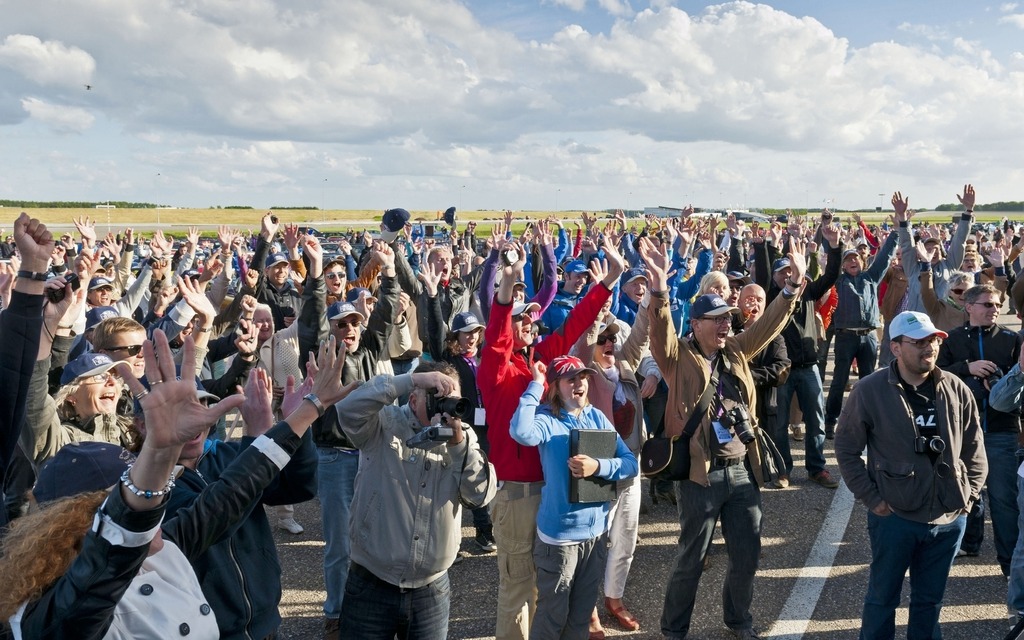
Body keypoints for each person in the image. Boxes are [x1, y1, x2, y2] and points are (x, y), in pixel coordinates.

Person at [0, 331, 355, 639]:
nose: (157, 503)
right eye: (136, 497)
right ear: (86, 527)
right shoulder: (67, 610)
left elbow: (234, 492)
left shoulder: (164, 546)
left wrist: (309, 409)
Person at [640, 235, 804, 640]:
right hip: (702, 475)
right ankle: (674, 629)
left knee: (747, 555)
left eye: (728, 317)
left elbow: (768, 324)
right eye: (718, 318)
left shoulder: (735, 350)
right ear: (696, 323)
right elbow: (658, 334)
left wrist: (790, 289)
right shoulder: (678, 356)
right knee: (691, 558)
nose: (727, 322)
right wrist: (660, 291)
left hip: (742, 471)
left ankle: (739, 621)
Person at [479, 238, 623, 640]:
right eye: (521, 319)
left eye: (533, 319)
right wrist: (508, 286)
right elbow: (496, 335)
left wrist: (608, 281)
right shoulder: (495, 368)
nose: (530, 323)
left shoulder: (539, 361)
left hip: (553, 493)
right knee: (518, 591)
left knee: (551, 591)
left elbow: (575, 324)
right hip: (517, 495)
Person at [835, 311, 987, 639]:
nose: (929, 348)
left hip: (948, 519)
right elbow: (846, 450)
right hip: (894, 517)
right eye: (918, 342)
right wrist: (873, 499)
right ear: (895, 347)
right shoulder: (869, 390)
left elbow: (975, 450)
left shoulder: (957, 389)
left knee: (929, 602)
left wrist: (968, 498)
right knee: (882, 599)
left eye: (933, 340)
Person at [335, 361, 496, 639]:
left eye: (450, 399)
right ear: (413, 397)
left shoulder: (463, 437)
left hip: (430, 589)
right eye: (436, 395)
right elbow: (347, 409)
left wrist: (459, 448)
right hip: (373, 581)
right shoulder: (384, 423)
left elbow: (480, 495)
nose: (443, 405)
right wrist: (413, 378)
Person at [509, 356, 638, 639]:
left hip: (595, 536)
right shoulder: (545, 419)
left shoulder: (597, 417)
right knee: (552, 618)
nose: (579, 383)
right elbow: (520, 431)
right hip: (560, 540)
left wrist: (599, 467)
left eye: (583, 377)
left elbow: (630, 463)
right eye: (570, 379)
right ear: (556, 387)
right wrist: (535, 385)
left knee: (580, 619)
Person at [937, 284, 1023, 575]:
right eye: (987, 304)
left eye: (997, 304)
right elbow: (934, 373)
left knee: (1004, 501)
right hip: (963, 432)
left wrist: (1001, 379)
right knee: (964, 495)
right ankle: (967, 543)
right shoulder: (952, 339)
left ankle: (1010, 567)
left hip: (1002, 431)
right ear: (969, 306)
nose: (994, 309)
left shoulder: (1012, 340)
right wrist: (967, 368)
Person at [823, 211, 899, 434]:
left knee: (868, 381)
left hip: (868, 337)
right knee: (839, 381)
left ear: (862, 261)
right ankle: (830, 420)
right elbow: (832, 263)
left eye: (856, 257)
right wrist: (829, 237)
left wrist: (895, 231)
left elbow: (884, 257)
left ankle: (868, 420)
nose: (853, 261)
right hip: (845, 336)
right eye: (848, 259)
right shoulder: (838, 279)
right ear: (843, 265)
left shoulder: (870, 278)